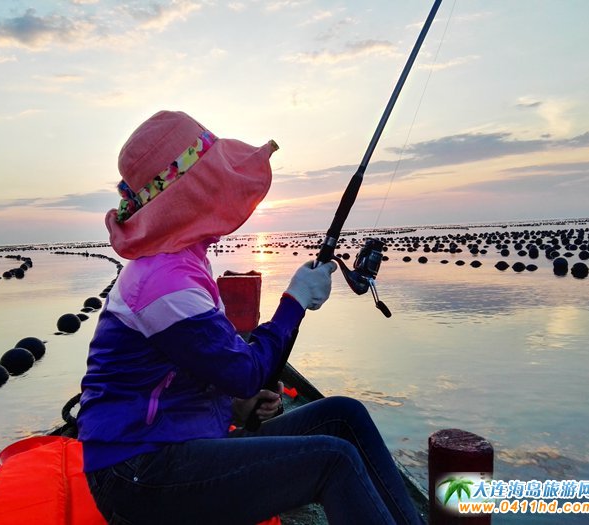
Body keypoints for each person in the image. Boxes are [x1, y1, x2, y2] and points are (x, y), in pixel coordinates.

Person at [77, 110, 423, 524]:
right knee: (332, 459)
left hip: (180, 441)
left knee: (343, 416)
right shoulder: (163, 282)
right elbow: (244, 372)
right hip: (136, 472)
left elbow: (196, 369)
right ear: (195, 193)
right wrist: (294, 301)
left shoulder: (184, 261)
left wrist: (236, 408)